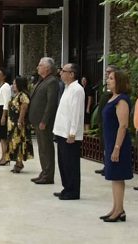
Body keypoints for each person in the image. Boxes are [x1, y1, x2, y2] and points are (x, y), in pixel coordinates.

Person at [100, 70, 133, 223]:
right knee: (114, 177)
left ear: (119, 81)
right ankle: (116, 208)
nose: (108, 80)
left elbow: (123, 125)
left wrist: (117, 147)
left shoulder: (122, 100)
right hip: (111, 142)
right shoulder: (111, 97)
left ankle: (119, 211)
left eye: (111, 78)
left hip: (118, 144)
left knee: (118, 176)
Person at [52, 63, 85, 200]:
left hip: (69, 134)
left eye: (64, 71)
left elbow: (76, 113)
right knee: (63, 162)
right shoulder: (67, 88)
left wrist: (72, 133)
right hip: (61, 131)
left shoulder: (77, 89)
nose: (61, 73)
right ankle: (66, 187)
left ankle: (73, 191)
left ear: (71, 74)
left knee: (71, 163)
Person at [28, 57, 59, 185]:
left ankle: (48, 175)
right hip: (37, 120)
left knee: (46, 148)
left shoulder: (52, 81)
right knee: (41, 148)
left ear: (47, 68)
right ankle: (44, 172)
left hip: (44, 122)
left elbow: (51, 103)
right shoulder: (42, 81)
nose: (38, 67)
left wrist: (44, 120)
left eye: (40, 65)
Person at [95, 65, 119, 176]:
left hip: (109, 121)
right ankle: (106, 165)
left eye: (109, 72)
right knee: (103, 144)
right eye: (106, 72)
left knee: (109, 144)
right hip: (102, 120)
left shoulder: (117, 89)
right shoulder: (106, 85)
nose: (106, 74)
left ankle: (110, 166)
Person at [6, 77, 34, 173]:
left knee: (19, 142)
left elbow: (23, 108)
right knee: (14, 143)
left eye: (14, 84)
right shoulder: (16, 95)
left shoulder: (23, 95)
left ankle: (19, 163)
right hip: (12, 124)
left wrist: (20, 120)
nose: (13, 86)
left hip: (19, 123)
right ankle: (17, 162)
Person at [0, 68, 12, 166]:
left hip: (2, 111)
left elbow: (6, 102)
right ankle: (3, 156)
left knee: (3, 136)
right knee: (1, 137)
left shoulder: (6, 86)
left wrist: (4, 116)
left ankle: (6, 157)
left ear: (4, 76)